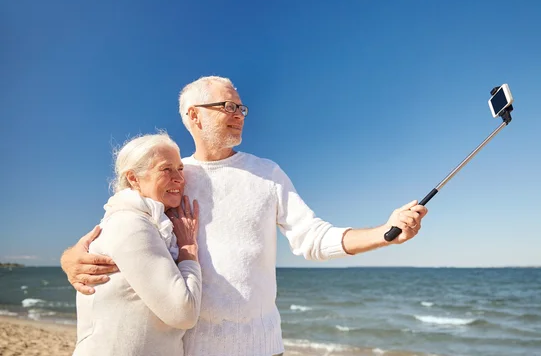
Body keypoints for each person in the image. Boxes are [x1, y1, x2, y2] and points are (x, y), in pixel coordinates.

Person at [61, 76, 428, 356]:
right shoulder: (173, 178)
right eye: (227, 106)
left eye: (241, 108)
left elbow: (313, 238)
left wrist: (385, 232)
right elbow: (121, 226)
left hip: (262, 347)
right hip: (192, 348)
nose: (238, 115)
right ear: (193, 116)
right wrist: (69, 258)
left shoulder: (266, 174)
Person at [71, 133, 203, 356]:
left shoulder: (151, 223)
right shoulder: (130, 224)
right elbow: (184, 313)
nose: (179, 178)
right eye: (166, 169)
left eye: (180, 169)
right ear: (133, 178)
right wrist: (188, 248)